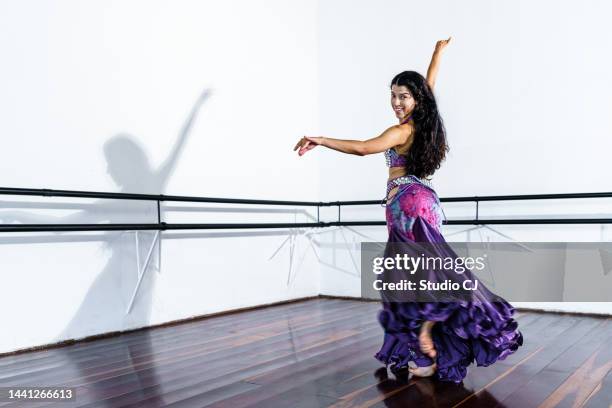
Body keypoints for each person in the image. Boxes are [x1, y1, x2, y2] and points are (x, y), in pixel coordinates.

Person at [293, 38, 523, 383]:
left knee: (413, 277)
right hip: (426, 201)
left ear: (415, 100)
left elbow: (363, 148)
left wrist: (321, 140)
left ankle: (426, 334)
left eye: (403, 96)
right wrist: (436, 56)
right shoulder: (425, 121)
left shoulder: (402, 130)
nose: (397, 102)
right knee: (427, 271)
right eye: (393, 94)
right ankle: (430, 348)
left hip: (407, 205)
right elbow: (429, 87)